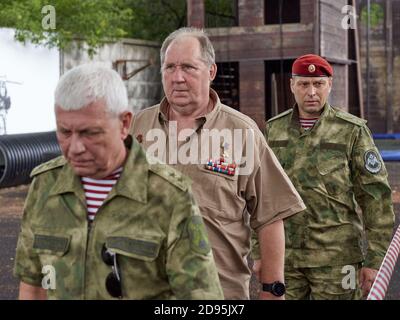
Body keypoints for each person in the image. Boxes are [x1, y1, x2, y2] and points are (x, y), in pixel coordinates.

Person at [13, 63, 223, 300]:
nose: (75, 148)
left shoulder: (169, 194)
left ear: (124, 123)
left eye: (90, 133)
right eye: (64, 132)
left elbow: (201, 297)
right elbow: (32, 283)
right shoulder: (45, 185)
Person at [131, 27, 306, 300]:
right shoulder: (137, 127)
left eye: (188, 67)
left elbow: (270, 216)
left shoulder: (241, 132)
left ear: (211, 72)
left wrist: (273, 291)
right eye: (170, 67)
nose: (177, 77)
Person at [263, 54, 394, 299]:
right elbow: (261, 196)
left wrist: (375, 259)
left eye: (318, 84)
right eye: (304, 84)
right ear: (292, 85)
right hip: (286, 259)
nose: (311, 92)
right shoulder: (274, 130)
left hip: (337, 259)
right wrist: (260, 254)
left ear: (329, 85)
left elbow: (375, 198)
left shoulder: (352, 131)